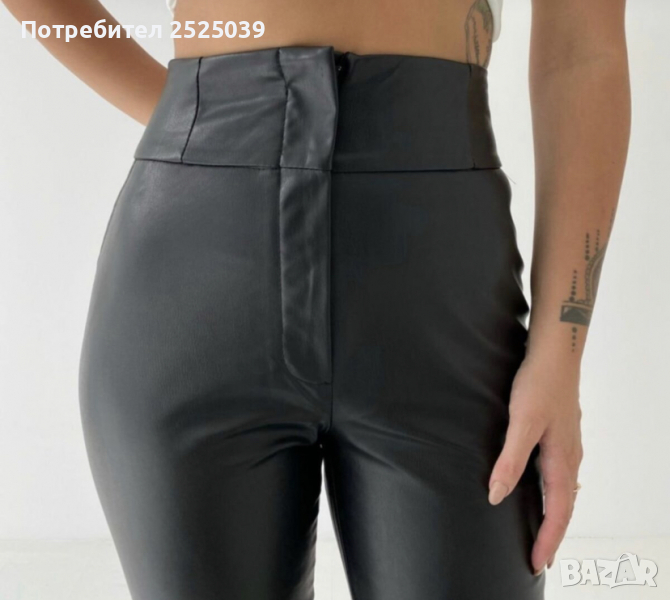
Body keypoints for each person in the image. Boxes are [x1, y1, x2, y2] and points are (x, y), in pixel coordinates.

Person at [3, 0, 631, 598]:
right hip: (192, 289)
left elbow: (582, 50)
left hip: (443, 296)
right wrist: (192, 115)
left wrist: (560, 353)